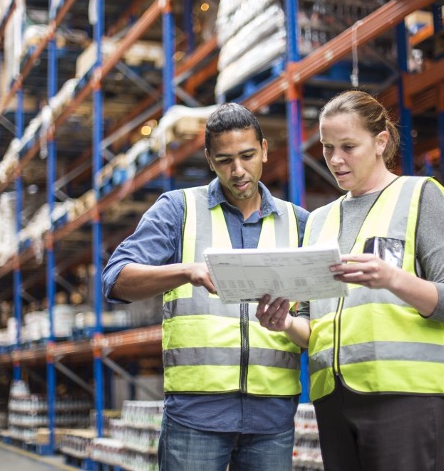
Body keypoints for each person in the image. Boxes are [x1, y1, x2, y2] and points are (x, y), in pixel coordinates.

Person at [257, 90, 444, 471]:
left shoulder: (420, 197)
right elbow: (313, 326)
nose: (335, 160)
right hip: (333, 398)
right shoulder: (319, 221)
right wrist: (285, 323)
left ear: (381, 142)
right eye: (327, 147)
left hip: (403, 393)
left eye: (348, 146)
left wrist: (393, 278)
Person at [102, 102, 309, 471]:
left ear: (264, 148)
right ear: (209, 160)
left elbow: (317, 320)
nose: (239, 170)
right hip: (196, 417)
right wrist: (187, 272)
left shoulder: (299, 223)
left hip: (272, 418)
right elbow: (116, 280)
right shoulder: (179, 210)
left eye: (247, 155)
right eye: (225, 159)